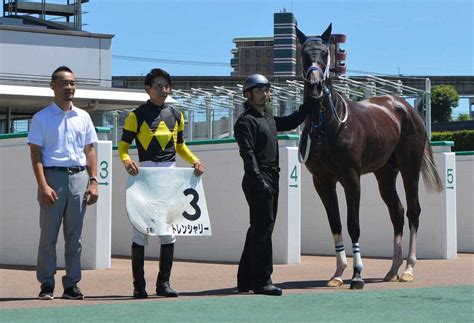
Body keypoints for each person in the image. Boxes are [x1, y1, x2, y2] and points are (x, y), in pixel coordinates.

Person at [118, 68, 205, 299]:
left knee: (168, 233)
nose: (163, 90)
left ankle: (163, 284)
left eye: (166, 86)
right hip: (144, 176)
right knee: (140, 232)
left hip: (170, 177)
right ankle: (139, 286)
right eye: (158, 86)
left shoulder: (177, 115)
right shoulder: (135, 116)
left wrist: (195, 161)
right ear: (147, 89)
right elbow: (123, 147)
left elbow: (180, 147)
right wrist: (127, 161)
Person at [234, 74, 315, 296]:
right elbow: (247, 155)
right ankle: (262, 281)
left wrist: (309, 104)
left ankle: (244, 280)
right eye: (259, 90)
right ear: (248, 95)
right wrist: (260, 181)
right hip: (258, 180)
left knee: (258, 229)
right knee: (263, 230)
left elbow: (290, 122)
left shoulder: (267, 117)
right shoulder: (245, 121)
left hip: (272, 177)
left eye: (267, 90)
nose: (265, 94)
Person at [27, 66, 99, 300]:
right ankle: (46, 285)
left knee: (75, 238)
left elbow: (89, 151)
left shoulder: (84, 117)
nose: (70, 88)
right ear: (53, 86)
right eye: (64, 83)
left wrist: (94, 181)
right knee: (48, 236)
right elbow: (36, 154)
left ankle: (71, 285)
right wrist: (43, 185)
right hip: (52, 178)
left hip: (79, 178)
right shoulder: (41, 118)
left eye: (73, 83)